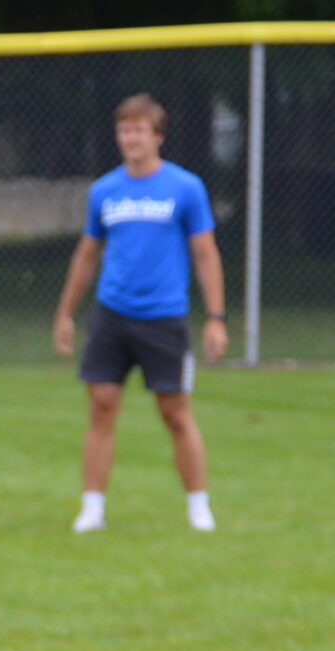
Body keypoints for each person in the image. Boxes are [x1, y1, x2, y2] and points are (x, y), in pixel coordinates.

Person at [51, 93, 227, 534]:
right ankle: (92, 508)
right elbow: (88, 254)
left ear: (158, 137)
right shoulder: (105, 191)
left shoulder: (185, 188)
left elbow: (205, 254)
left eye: (138, 130)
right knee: (101, 406)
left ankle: (198, 506)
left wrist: (216, 316)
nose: (130, 138)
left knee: (174, 411)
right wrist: (66, 313)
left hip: (164, 316)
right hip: (112, 315)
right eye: (123, 130)